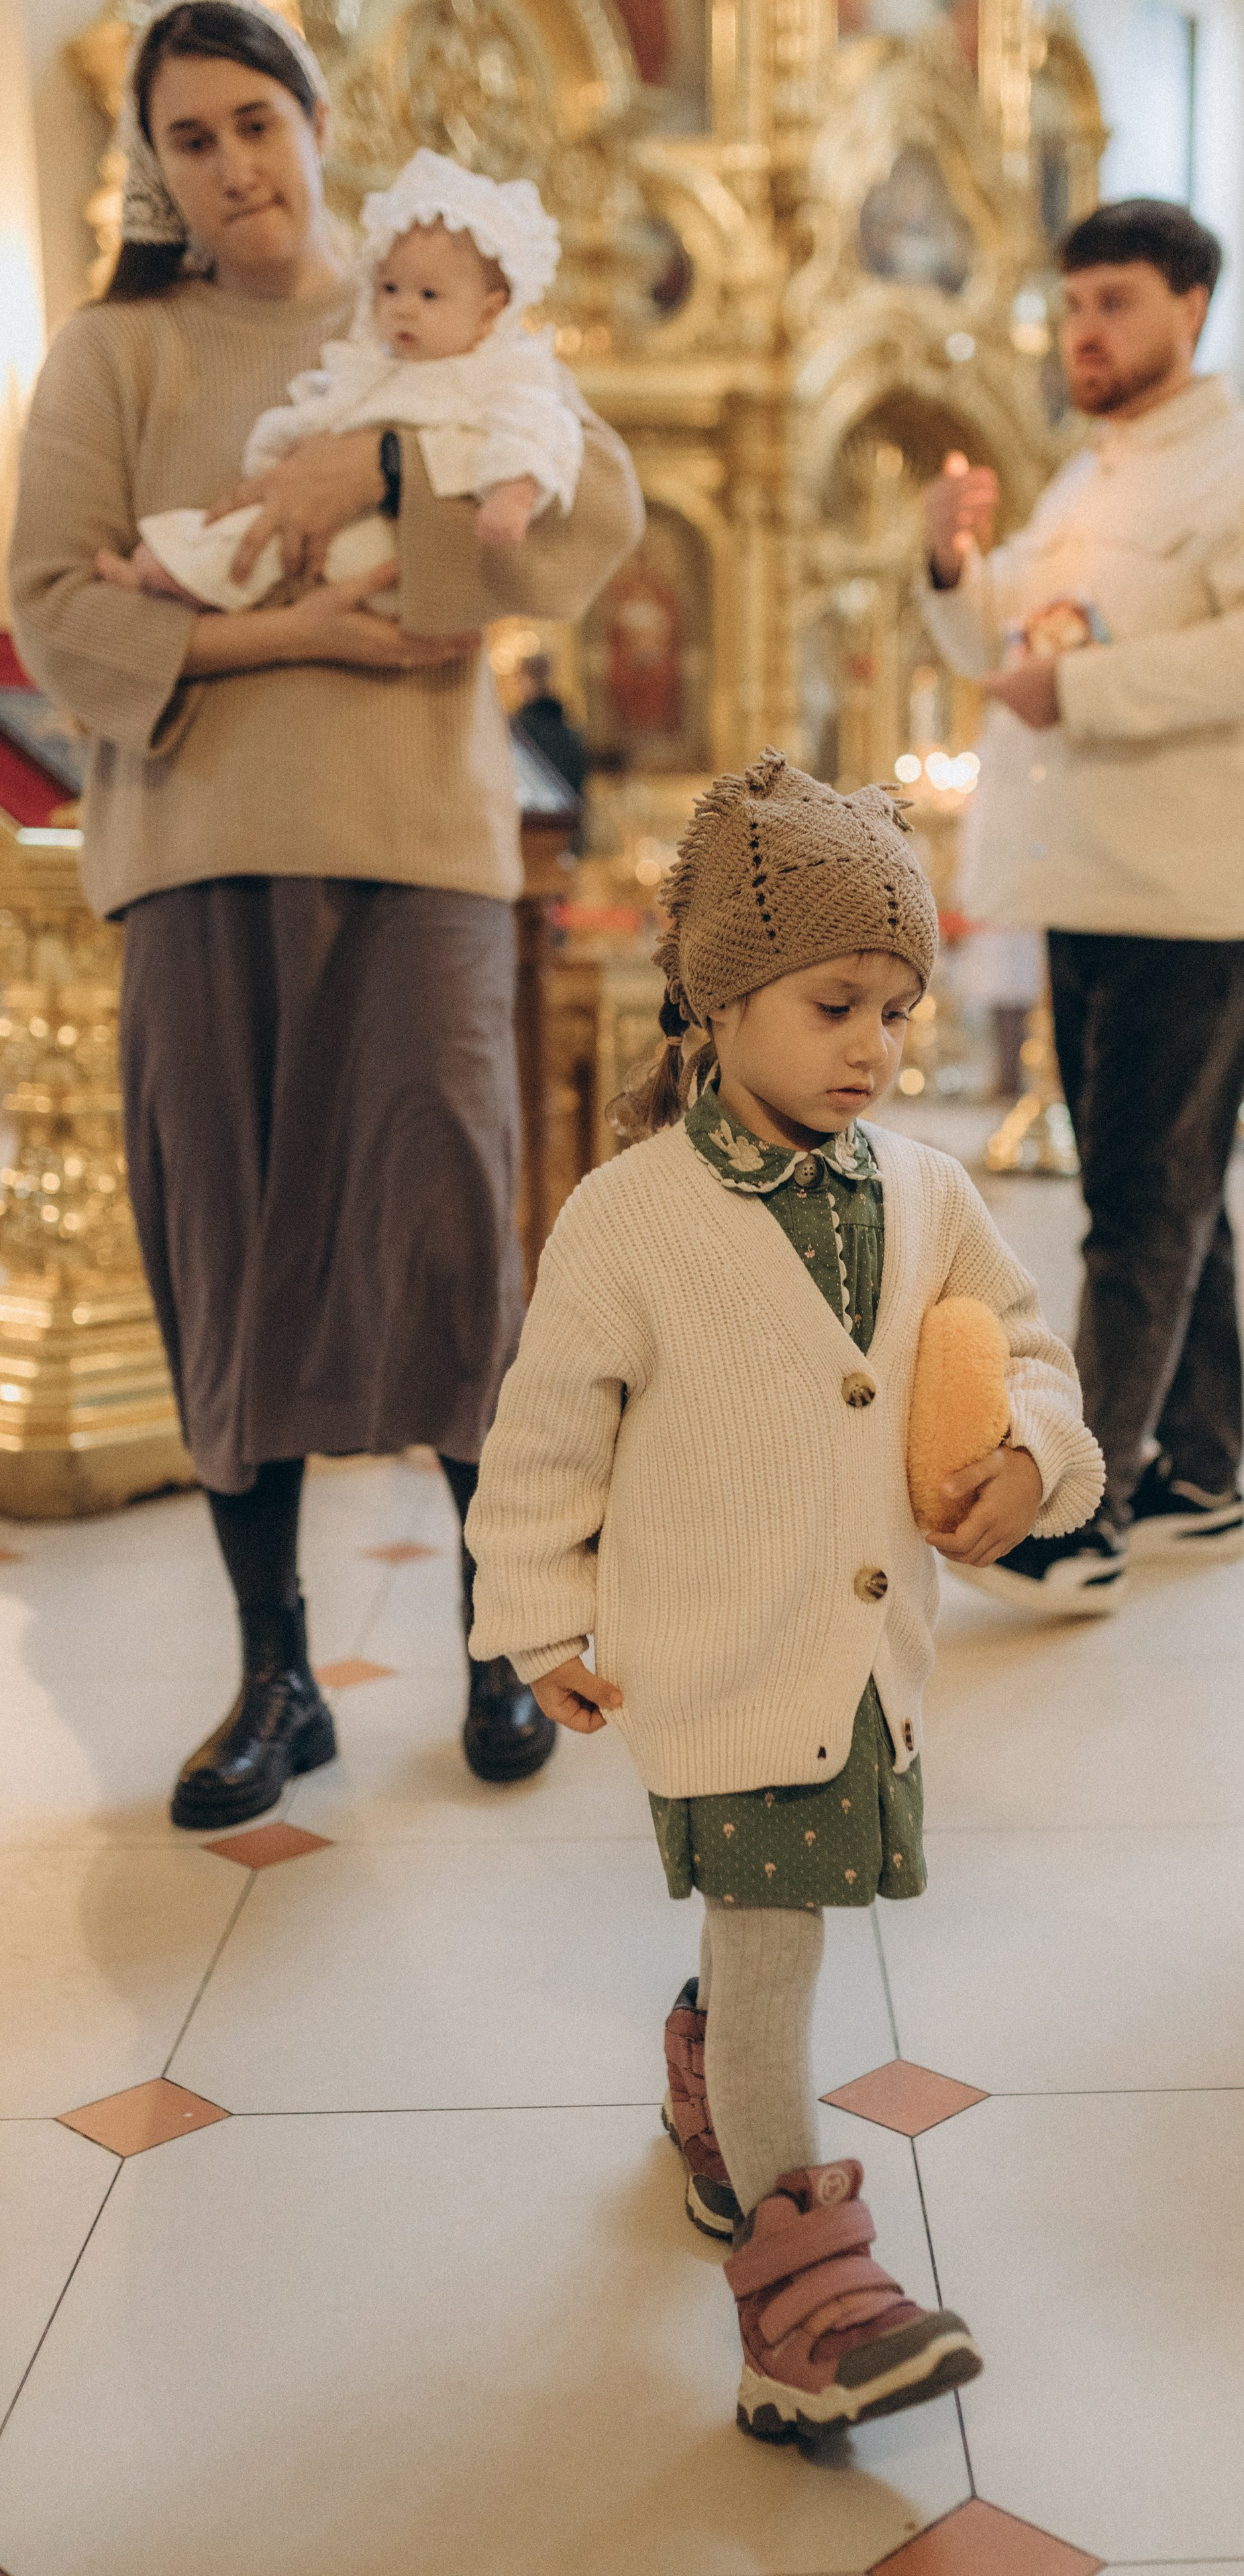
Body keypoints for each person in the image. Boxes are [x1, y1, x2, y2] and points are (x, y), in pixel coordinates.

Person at [9, 0, 644, 1827]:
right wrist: (292, 631)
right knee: (227, 1239)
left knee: (448, 1229)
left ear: (313, 120)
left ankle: (503, 1636)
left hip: (421, 849)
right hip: (201, 846)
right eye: (189, 138)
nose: (231, 166)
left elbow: (576, 517)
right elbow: (57, 609)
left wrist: (370, 470)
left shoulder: (429, 299)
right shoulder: (114, 352)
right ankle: (274, 1673)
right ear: (157, 165)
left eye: (254, 124)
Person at [466, 750, 1104, 2438]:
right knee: (772, 1954)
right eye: (834, 1003)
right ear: (722, 996)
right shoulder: (627, 1220)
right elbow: (541, 1435)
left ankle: (704, 2091)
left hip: (862, 1669)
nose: (874, 1048)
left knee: (774, 1939)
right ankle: (802, 2296)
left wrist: (1033, 1454)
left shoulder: (928, 1192)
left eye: (896, 1008)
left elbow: (1032, 1353)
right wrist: (535, 1620)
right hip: (718, 1662)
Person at [918, 197, 1244, 1605]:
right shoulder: (1083, 482)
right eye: (1071, 304)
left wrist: (1086, 691)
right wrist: (949, 565)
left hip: (1187, 886)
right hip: (1086, 877)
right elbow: (1010, 650)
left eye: (1111, 301)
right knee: (1174, 1193)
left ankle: (1076, 1512)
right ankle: (1199, 1475)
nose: (1080, 331)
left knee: (1136, 1206)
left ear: (1190, 307)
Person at [100, 148, 584, 614]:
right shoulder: (379, 360)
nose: (404, 307)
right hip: (354, 529)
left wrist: (513, 495)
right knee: (259, 540)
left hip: (401, 546)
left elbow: (538, 431)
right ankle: (176, 576)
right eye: (390, 288)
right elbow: (329, 415)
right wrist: (285, 450)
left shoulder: (506, 369)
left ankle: (168, 578)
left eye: (430, 294)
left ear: (489, 312)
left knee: (257, 553)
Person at [511, 650, 589, 814]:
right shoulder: (571, 733)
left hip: (533, 824)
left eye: (520, 679)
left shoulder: (519, 731)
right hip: (566, 826)